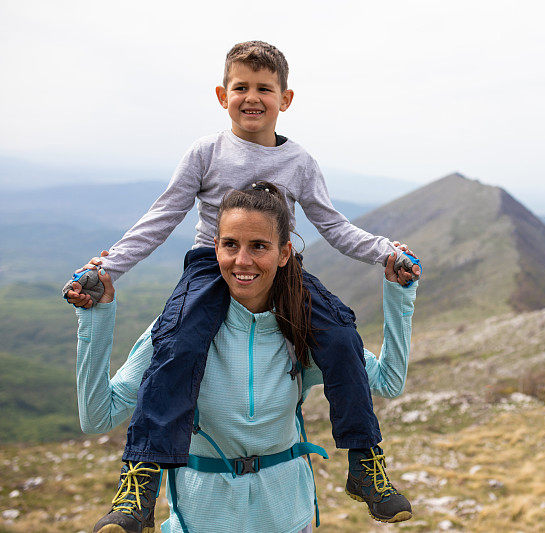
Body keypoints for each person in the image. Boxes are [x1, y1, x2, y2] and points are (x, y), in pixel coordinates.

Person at [64, 41, 422, 531]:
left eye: (264, 88)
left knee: (340, 336)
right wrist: (109, 268)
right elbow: (162, 217)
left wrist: (386, 252)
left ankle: (365, 463)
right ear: (221, 94)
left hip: (283, 271)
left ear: (286, 98)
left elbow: (333, 225)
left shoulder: (299, 162)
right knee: (178, 346)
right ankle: (141, 479)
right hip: (211, 269)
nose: (251, 97)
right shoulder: (205, 152)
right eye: (241, 87)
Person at [73, 182, 419, 533]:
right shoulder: (178, 334)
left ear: (284, 253)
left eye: (259, 247)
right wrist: (96, 317)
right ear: (215, 248)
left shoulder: (309, 330)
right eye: (230, 245)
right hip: (199, 525)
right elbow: (98, 417)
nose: (242, 260)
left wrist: (398, 293)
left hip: (290, 522)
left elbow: (388, 382)